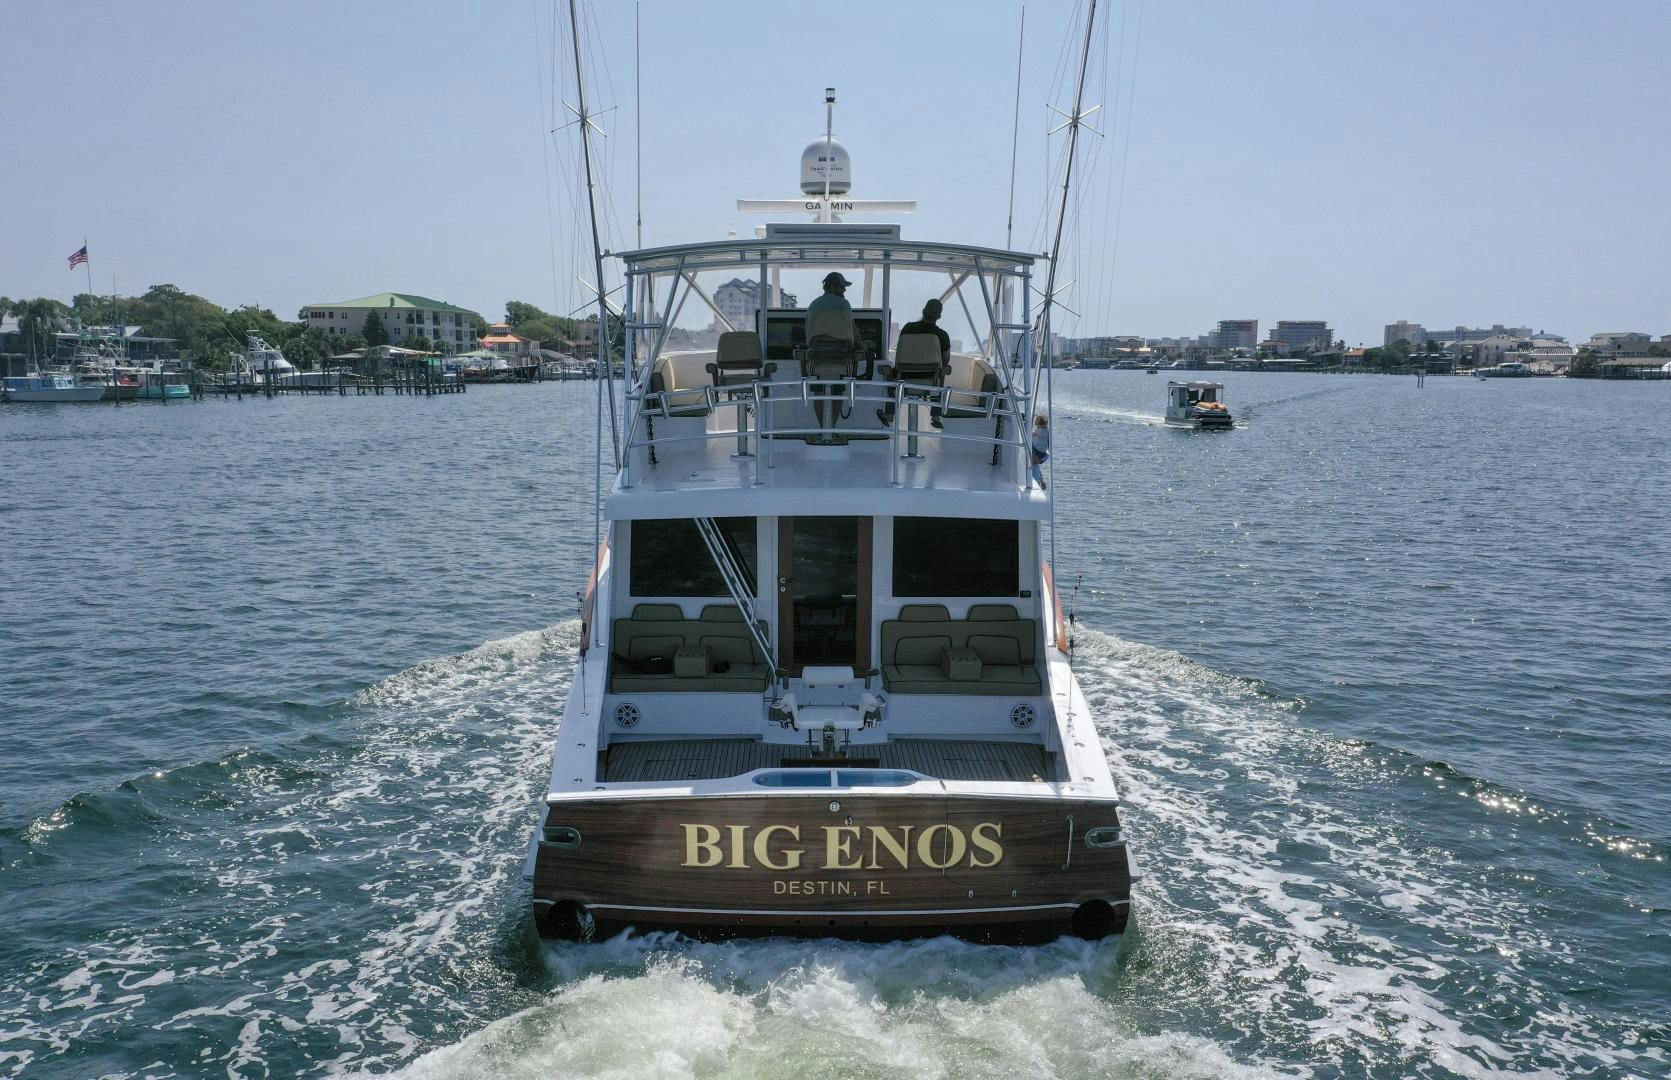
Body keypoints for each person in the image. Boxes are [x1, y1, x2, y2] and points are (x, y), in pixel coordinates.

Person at [804, 272, 863, 440]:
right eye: (842, 286)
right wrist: (862, 348)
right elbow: (853, 333)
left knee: (818, 390)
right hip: (841, 360)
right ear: (831, 286)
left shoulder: (814, 305)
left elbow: (808, 335)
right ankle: (832, 428)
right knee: (838, 388)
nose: (844, 290)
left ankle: (823, 428)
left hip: (817, 361)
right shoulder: (845, 305)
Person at [877, 298, 951, 429]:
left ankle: (889, 413)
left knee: (892, 373)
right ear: (939, 316)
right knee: (942, 371)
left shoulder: (908, 328)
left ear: (923, 311)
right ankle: (936, 415)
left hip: (903, 378)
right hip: (930, 380)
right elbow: (945, 360)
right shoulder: (942, 335)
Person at [1029, 414, 1051, 490]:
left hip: (1036, 451)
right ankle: (1041, 481)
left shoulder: (1038, 431)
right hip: (1042, 453)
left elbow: (1030, 435)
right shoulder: (1048, 432)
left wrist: (1030, 434)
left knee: (1032, 460)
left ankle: (1040, 481)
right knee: (1034, 463)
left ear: (1036, 423)